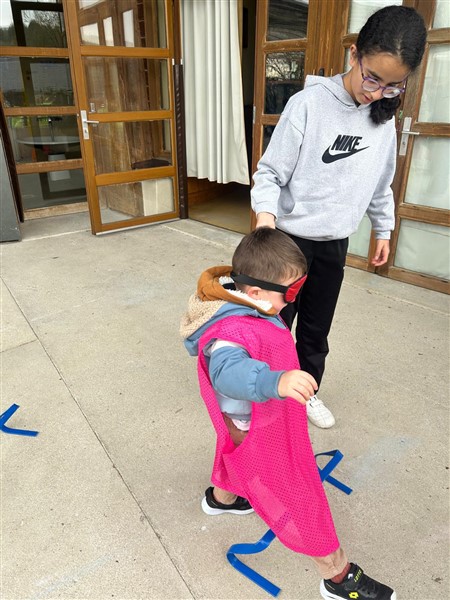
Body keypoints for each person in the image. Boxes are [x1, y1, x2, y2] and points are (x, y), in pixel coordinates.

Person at [180, 227, 396, 600]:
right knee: (298, 492)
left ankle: (221, 499)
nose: (294, 299)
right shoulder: (230, 330)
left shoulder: (248, 303)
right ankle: (337, 576)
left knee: (236, 450)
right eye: (291, 293)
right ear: (255, 292)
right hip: (257, 423)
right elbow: (227, 371)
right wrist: (275, 381)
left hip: (248, 420)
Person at [251, 5, 427, 429]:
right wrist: (265, 222)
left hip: (333, 245)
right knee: (272, 323)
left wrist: (383, 228)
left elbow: (380, 183)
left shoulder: (383, 120)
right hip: (287, 242)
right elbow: (270, 173)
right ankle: (264, 391)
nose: (377, 93)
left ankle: (307, 391)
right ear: (353, 54)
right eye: (372, 78)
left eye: (393, 86)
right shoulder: (308, 105)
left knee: (316, 330)